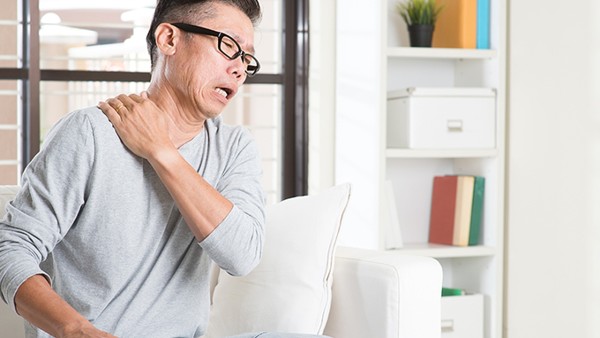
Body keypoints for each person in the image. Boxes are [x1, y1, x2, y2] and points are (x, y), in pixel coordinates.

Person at [0, 1, 316, 337]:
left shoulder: (234, 147)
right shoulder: (89, 133)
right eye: (228, 46)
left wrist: (160, 151)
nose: (239, 69)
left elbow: (242, 256)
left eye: (246, 59)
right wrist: (72, 328)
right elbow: (11, 247)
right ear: (168, 39)